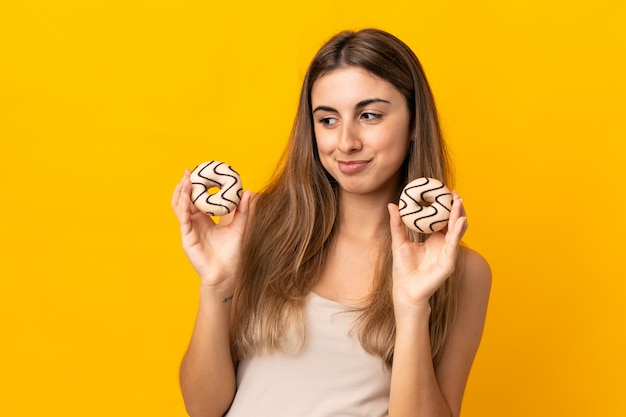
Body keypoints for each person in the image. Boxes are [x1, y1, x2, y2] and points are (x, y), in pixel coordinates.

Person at [171, 28, 491, 417]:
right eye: (327, 120)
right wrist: (217, 284)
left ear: (414, 126)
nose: (346, 141)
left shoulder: (461, 271)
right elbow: (203, 408)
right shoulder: (260, 228)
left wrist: (410, 306)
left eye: (369, 115)